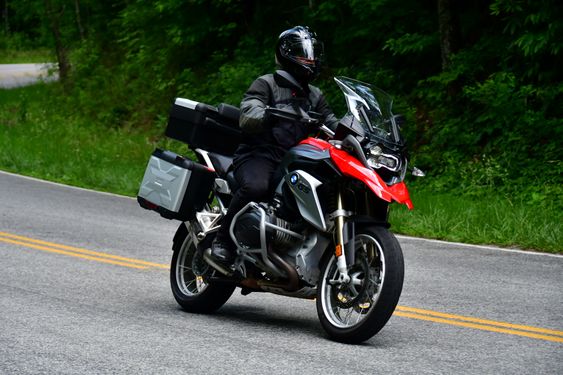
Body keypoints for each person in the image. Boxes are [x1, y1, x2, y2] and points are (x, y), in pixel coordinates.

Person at [210, 25, 339, 265]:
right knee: (257, 187)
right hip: (259, 155)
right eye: (303, 54)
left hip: (297, 160)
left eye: (311, 54)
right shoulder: (266, 84)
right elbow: (248, 114)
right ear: (286, 54)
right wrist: (266, 115)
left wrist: (357, 131)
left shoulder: (314, 95)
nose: (309, 60)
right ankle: (222, 241)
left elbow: (332, 123)